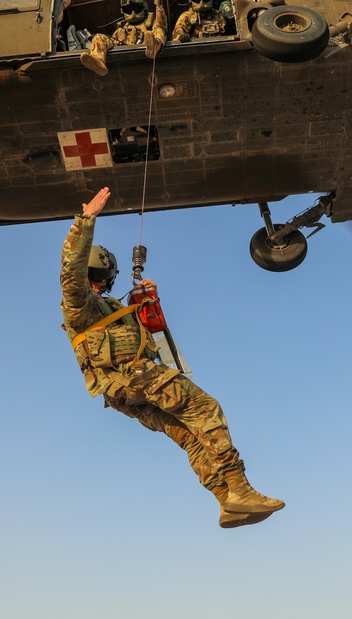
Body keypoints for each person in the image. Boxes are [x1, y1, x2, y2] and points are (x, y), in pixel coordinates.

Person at [60, 187, 284, 528]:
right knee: (204, 409)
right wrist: (85, 220)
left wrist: (140, 303)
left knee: (189, 434)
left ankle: (227, 502)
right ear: (104, 273)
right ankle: (240, 488)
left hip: (120, 392)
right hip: (135, 378)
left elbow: (131, 335)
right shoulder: (78, 304)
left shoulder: (102, 309)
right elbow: (70, 272)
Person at [80, 0, 167, 76]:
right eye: (128, 9)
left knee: (158, 30)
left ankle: (154, 46)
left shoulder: (151, 23)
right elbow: (113, 41)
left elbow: (161, 24)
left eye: (136, 8)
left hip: (145, 47)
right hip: (122, 49)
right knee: (98, 37)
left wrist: (158, 4)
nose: (133, 12)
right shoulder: (122, 28)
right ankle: (98, 61)